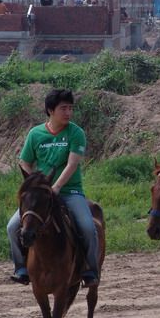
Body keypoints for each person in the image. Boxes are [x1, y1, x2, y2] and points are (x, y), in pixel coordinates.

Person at [7, 88, 99, 287]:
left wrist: (55, 187)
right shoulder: (35, 134)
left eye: (70, 108)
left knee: (87, 227)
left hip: (70, 192)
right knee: (12, 226)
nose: (68, 113)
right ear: (50, 110)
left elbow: (72, 164)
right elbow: (24, 162)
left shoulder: (76, 133)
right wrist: (36, 186)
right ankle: (21, 268)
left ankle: (90, 270)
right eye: (63, 108)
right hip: (42, 196)